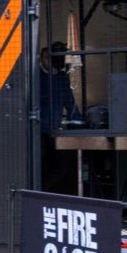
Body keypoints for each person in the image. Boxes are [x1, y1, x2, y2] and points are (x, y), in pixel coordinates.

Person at [39, 41, 80, 194]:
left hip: (54, 129)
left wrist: (78, 121)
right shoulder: (36, 77)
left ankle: (42, 192)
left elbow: (69, 102)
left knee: (60, 167)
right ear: (42, 58)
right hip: (39, 129)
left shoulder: (62, 77)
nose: (49, 61)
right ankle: (37, 194)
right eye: (46, 58)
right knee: (41, 163)